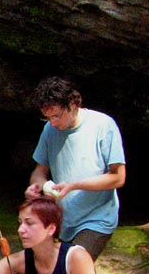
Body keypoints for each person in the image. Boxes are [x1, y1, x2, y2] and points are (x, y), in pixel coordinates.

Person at [25, 76, 126, 260]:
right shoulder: (50, 129)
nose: (53, 122)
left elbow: (118, 178)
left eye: (56, 115)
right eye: (47, 117)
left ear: (73, 104)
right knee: (59, 273)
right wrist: (38, 187)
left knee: (72, 267)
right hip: (63, 219)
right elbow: (40, 171)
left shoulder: (103, 125)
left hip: (96, 218)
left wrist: (74, 185)